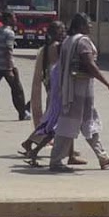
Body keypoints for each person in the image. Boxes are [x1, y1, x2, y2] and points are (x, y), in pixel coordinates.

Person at [50, 14, 109, 172]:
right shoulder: (83, 41)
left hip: (72, 88)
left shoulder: (68, 40)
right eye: (88, 23)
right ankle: (55, 161)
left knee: (89, 122)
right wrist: (108, 84)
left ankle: (103, 157)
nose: (91, 26)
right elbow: (90, 64)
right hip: (79, 90)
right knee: (68, 124)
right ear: (80, 25)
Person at [20, 21, 86, 167]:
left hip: (54, 87)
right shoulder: (57, 47)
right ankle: (32, 146)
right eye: (60, 30)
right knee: (54, 124)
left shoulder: (47, 47)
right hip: (59, 90)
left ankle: (68, 154)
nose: (63, 32)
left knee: (60, 122)